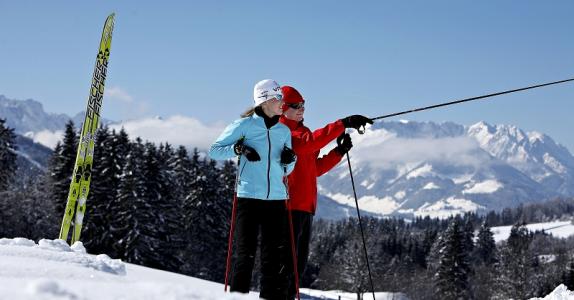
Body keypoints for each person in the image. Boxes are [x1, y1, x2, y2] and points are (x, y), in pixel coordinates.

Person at [279, 85, 372, 300]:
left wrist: (338, 152)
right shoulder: (283, 133)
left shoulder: (302, 132)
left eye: (303, 104)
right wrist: (343, 124)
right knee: (286, 266)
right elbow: (307, 145)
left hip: (304, 208)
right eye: (296, 105)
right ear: (283, 108)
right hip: (287, 208)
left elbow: (315, 169)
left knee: (297, 267)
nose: (301, 109)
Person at [209, 79, 297, 299]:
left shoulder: (283, 131)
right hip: (248, 198)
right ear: (265, 100)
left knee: (273, 257)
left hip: (276, 199)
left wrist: (290, 158)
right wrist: (239, 148)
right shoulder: (245, 125)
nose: (282, 104)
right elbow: (214, 150)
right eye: (278, 99)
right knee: (244, 254)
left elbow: (286, 169)